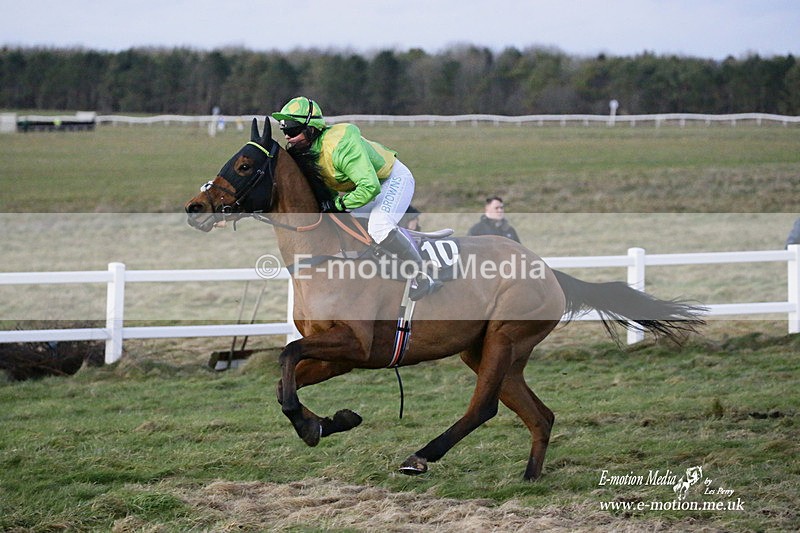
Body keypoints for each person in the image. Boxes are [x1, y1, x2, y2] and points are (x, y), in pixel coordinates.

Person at [272, 96, 440, 300]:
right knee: (346, 224)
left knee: (379, 227)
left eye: (292, 130)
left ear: (311, 129)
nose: (288, 137)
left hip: (392, 180)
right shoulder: (308, 151)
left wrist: (338, 204)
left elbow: (370, 186)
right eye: (284, 131)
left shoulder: (340, 145)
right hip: (369, 187)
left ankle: (423, 275)